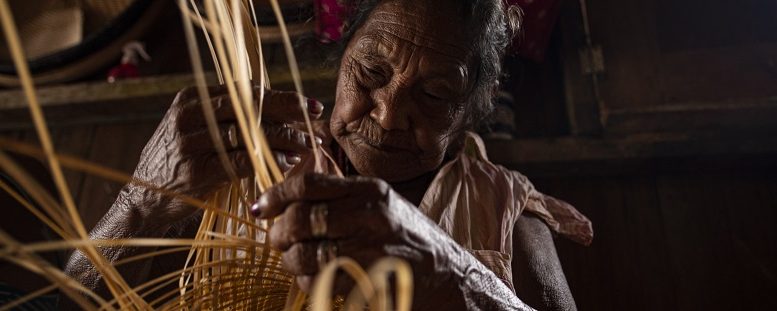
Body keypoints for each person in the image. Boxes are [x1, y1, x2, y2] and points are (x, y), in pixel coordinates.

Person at [65, 0, 592, 310]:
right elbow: (72, 304)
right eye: (372, 73)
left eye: (433, 95)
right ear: (342, 61)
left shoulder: (503, 207)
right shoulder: (241, 164)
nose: (387, 114)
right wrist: (140, 200)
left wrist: (449, 270)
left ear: (468, 114)